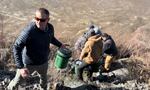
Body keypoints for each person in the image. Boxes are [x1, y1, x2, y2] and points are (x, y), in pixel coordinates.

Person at [7, 8, 65, 90]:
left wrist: (60, 45)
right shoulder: (29, 31)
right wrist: (21, 67)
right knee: (16, 82)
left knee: (44, 81)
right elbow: (16, 47)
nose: (38, 22)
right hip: (28, 64)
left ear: (48, 20)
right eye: (36, 19)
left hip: (43, 62)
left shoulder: (50, 28)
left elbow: (51, 38)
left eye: (42, 20)